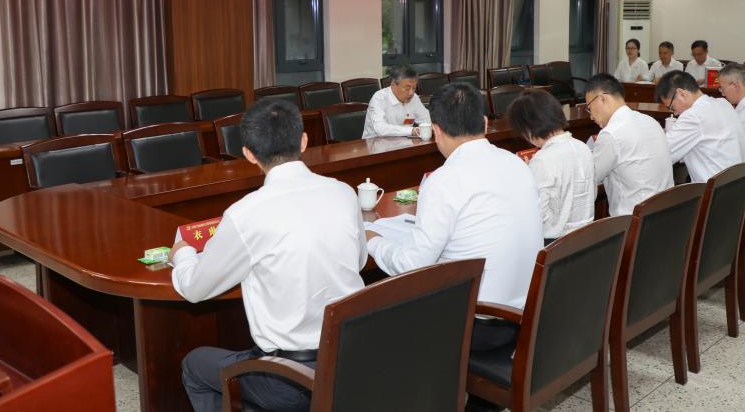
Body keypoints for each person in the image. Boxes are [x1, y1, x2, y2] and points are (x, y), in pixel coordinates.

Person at [172, 99, 367, 412]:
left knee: (194, 365)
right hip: (352, 359)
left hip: (289, 380)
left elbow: (195, 289)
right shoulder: (343, 192)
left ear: (248, 154)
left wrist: (182, 253)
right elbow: (358, 262)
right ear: (304, 141)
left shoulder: (246, 213)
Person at [366, 82, 542, 360]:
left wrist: (372, 242)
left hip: (478, 325)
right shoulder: (517, 164)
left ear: (436, 131)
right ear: (485, 123)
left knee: (374, 310)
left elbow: (412, 266)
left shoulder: (444, 181)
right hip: (529, 312)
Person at [507, 89, 594, 243]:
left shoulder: (542, 160)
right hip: (587, 236)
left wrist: (527, 176)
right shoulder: (583, 147)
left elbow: (536, 214)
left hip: (555, 243)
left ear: (529, 128)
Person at [583, 73, 674, 216]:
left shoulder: (610, 134)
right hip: (666, 213)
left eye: (589, 108)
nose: (591, 116)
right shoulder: (650, 121)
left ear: (603, 98)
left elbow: (591, 178)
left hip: (634, 221)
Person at [656, 70, 745, 183]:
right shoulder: (723, 103)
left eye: (672, 107)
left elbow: (660, 155)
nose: (675, 113)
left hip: (716, 190)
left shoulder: (693, 116)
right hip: (741, 183)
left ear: (682, 94)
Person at [362, 64, 431, 138]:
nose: (411, 93)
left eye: (414, 88)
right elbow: (380, 128)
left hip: (404, 142)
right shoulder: (379, 98)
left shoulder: (414, 98)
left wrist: (430, 128)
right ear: (393, 85)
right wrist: (411, 131)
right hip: (375, 142)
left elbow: (426, 119)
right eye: (407, 89)